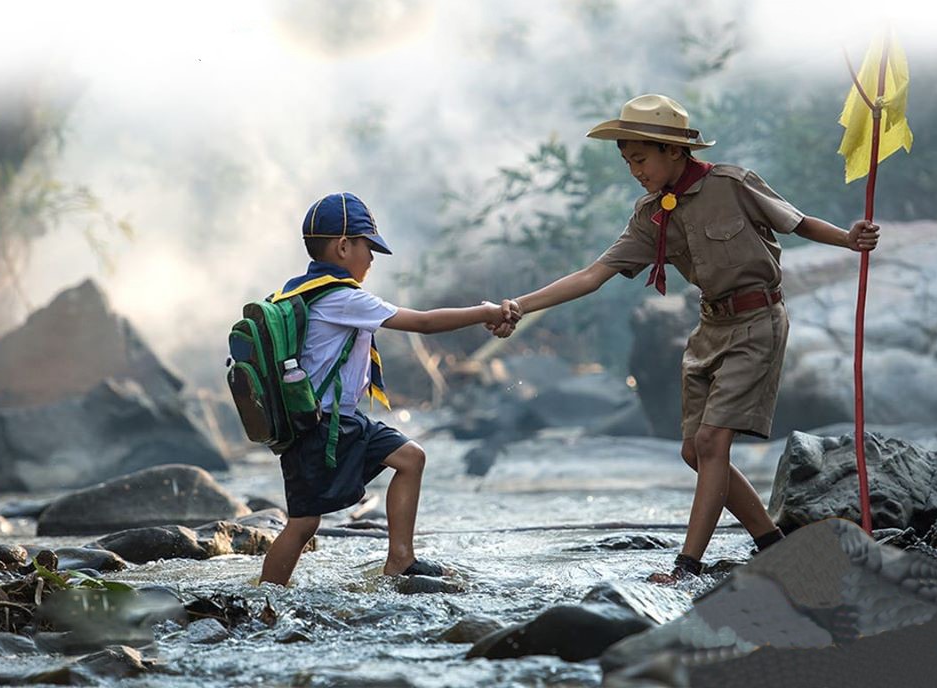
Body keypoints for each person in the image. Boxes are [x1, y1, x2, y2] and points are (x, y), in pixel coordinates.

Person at [491, 94, 879, 584]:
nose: (634, 170)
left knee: (715, 442)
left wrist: (849, 239)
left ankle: (686, 566)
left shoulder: (731, 183)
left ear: (674, 151)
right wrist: (521, 305)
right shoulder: (652, 214)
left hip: (757, 322)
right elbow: (593, 275)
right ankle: (772, 546)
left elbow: (797, 221)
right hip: (707, 330)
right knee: (694, 451)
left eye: (640, 158)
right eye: (627, 160)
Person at [260, 192, 516, 586]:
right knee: (303, 523)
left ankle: (400, 559)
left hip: (342, 422)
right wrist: (484, 312)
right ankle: (266, 596)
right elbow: (426, 323)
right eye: (368, 247)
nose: (372, 258)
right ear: (344, 246)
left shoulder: (300, 291)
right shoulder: (343, 297)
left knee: (410, 458)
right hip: (321, 428)